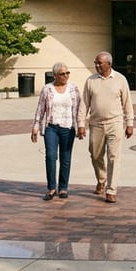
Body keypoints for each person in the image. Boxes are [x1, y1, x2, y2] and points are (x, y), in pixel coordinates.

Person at [78, 51, 134, 203]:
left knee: (113, 157)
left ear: (109, 64)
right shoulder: (91, 81)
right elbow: (84, 103)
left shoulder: (120, 79)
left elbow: (127, 103)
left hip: (115, 123)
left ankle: (111, 189)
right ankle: (101, 179)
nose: (96, 65)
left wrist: (129, 124)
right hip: (96, 124)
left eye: (99, 63)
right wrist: (81, 124)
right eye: (95, 62)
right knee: (95, 155)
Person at [32, 62, 82, 200]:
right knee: (51, 156)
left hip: (68, 127)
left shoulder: (73, 89)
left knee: (66, 158)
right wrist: (36, 126)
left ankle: (63, 188)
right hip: (51, 127)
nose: (65, 76)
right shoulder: (47, 89)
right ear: (55, 75)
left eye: (67, 73)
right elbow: (40, 108)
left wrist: (81, 126)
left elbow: (79, 109)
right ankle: (52, 188)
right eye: (62, 74)